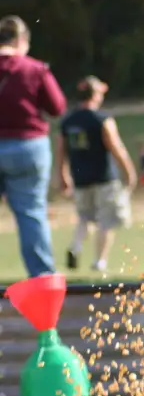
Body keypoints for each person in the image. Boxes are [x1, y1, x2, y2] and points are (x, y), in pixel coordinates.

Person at [0, 15, 67, 277]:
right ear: (22, 40)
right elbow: (57, 107)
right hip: (28, 147)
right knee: (31, 214)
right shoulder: (34, 69)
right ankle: (42, 283)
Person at [58, 76, 137, 272]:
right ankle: (99, 261)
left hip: (80, 179)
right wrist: (129, 171)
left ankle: (76, 246)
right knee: (106, 219)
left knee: (85, 217)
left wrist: (63, 175)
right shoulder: (101, 119)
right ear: (94, 95)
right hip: (104, 178)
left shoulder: (68, 121)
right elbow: (115, 147)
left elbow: (61, 151)